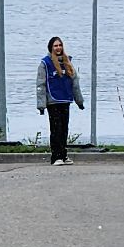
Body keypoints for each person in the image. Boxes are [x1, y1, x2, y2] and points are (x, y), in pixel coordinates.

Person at [36, 36, 84, 166]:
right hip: (53, 101)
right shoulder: (45, 63)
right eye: (55, 46)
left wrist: (79, 101)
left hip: (65, 99)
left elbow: (75, 83)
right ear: (51, 48)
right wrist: (41, 104)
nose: (58, 48)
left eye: (60, 45)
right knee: (56, 129)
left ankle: (63, 155)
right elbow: (41, 84)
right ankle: (55, 156)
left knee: (64, 129)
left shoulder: (68, 62)